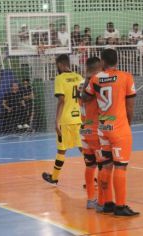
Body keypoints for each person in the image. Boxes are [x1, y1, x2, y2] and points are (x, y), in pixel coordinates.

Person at [82, 48, 139, 216]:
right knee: (120, 167)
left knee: (105, 166)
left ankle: (107, 203)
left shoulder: (95, 79)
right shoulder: (126, 77)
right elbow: (130, 105)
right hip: (119, 128)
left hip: (103, 128)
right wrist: (128, 124)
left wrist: (88, 78)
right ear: (117, 60)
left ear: (103, 62)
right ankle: (120, 206)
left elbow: (84, 98)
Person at [42, 54, 83, 185]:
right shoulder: (79, 77)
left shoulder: (59, 78)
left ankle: (54, 177)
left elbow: (61, 100)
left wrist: (56, 121)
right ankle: (97, 176)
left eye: (56, 65)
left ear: (60, 64)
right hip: (79, 118)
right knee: (84, 149)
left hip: (65, 119)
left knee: (61, 149)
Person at [78, 57, 108, 209]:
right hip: (96, 131)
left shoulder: (80, 84)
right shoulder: (97, 84)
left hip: (84, 130)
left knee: (90, 166)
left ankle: (91, 199)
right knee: (103, 167)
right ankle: (102, 202)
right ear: (98, 68)